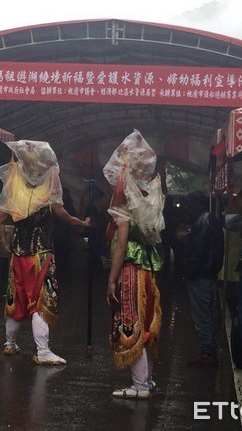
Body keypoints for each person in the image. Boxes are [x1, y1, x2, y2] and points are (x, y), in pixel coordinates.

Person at [0, 140, 89, 365]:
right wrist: (82, 223)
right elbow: (64, 215)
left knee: (15, 298)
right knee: (40, 301)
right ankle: (43, 351)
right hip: (41, 254)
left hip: (17, 254)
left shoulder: (14, 186)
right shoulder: (48, 187)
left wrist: (5, 244)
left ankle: (10, 343)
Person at [103, 130, 164, 399]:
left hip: (131, 270)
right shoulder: (149, 195)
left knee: (132, 323)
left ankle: (139, 386)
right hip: (149, 271)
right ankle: (147, 380)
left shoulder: (125, 200)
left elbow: (121, 244)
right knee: (148, 322)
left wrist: (111, 278)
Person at [182, 190, 224, 368]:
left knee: (202, 316)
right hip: (207, 275)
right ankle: (208, 350)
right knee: (206, 314)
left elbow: (198, 252)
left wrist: (188, 271)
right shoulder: (210, 220)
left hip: (201, 276)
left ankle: (207, 353)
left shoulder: (203, 221)